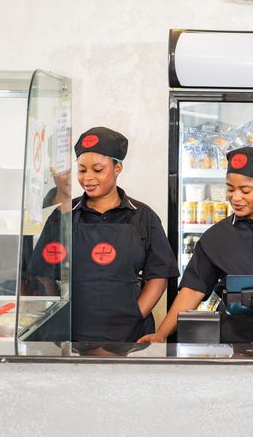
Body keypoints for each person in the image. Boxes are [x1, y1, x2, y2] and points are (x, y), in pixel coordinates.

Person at [138, 147, 253, 344]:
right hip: (233, 343)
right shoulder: (216, 236)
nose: (235, 198)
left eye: (245, 190)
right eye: (230, 189)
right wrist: (161, 334)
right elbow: (193, 290)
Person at [29, 127, 178, 342]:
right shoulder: (63, 216)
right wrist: (59, 314)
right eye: (82, 170)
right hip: (72, 331)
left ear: (118, 168)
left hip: (129, 334)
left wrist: (135, 315)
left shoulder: (142, 216)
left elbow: (159, 275)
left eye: (97, 170)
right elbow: (43, 274)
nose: (88, 178)